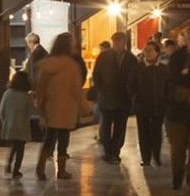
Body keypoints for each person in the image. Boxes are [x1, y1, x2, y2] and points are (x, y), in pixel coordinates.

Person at [35, 32, 83, 180]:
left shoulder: (46, 64)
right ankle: (61, 171)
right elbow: (76, 89)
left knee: (49, 139)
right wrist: (85, 107)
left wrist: (40, 108)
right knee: (63, 140)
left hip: (50, 108)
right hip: (66, 109)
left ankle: (40, 168)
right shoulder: (71, 66)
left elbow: (40, 88)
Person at [92, 31, 138, 163]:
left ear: (124, 42)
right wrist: (101, 90)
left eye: (120, 41)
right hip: (106, 98)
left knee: (120, 127)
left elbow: (135, 78)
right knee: (105, 127)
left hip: (124, 99)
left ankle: (115, 152)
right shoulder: (104, 56)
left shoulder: (131, 58)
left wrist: (132, 94)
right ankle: (108, 152)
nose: (117, 44)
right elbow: (96, 75)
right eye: (115, 42)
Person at [133, 40, 168, 167]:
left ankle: (156, 156)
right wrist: (135, 99)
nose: (147, 53)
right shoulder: (138, 68)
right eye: (145, 50)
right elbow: (131, 85)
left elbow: (168, 87)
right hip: (142, 106)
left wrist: (166, 101)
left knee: (156, 133)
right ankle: (146, 158)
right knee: (143, 133)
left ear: (157, 52)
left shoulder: (163, 69)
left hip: (158, 106)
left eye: (150, 50)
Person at [165, 28, 190, 190]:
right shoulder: (177, 57)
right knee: (178, 150)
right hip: (178, 113)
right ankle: (177, 177)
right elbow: (169, 82)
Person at [0, 71, 35, 178]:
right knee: (20, 149)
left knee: (13, 146)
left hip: (9, 126)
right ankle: (16, 170)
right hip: (22, 127)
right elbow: (31, 112)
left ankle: (8, 165)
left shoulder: (7, 93)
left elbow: (2, 110)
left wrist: (5, 121)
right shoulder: (26, 96)